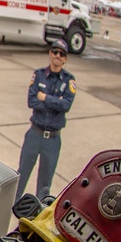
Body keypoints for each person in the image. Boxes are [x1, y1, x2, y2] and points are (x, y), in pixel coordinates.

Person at [15, 39, 77, 203]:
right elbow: (32, 101)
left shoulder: (69, 81)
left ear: (65, 59)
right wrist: (56, 102)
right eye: (55, 52)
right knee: (22, 174)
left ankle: (37, 216)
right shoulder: (39, 74)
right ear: (50, 54)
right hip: (34, 134)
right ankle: (11, 205)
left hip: (53, 139)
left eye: (61, 54)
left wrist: (45, 98)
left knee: (44, 183)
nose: (57, 56)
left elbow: (66, 105)